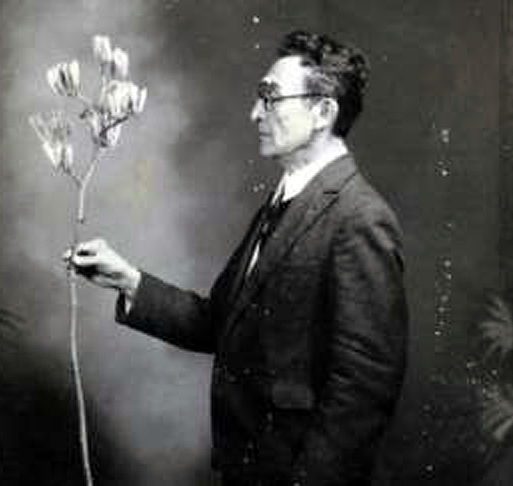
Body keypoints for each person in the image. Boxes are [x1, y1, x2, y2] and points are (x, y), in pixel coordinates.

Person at [66, 30, 408, 486]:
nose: (254, 113)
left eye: (270, 98)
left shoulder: (360, 217)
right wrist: (127, 279)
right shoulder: (282, 203)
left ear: (323, 112)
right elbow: (218, 323)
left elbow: (365, 392)